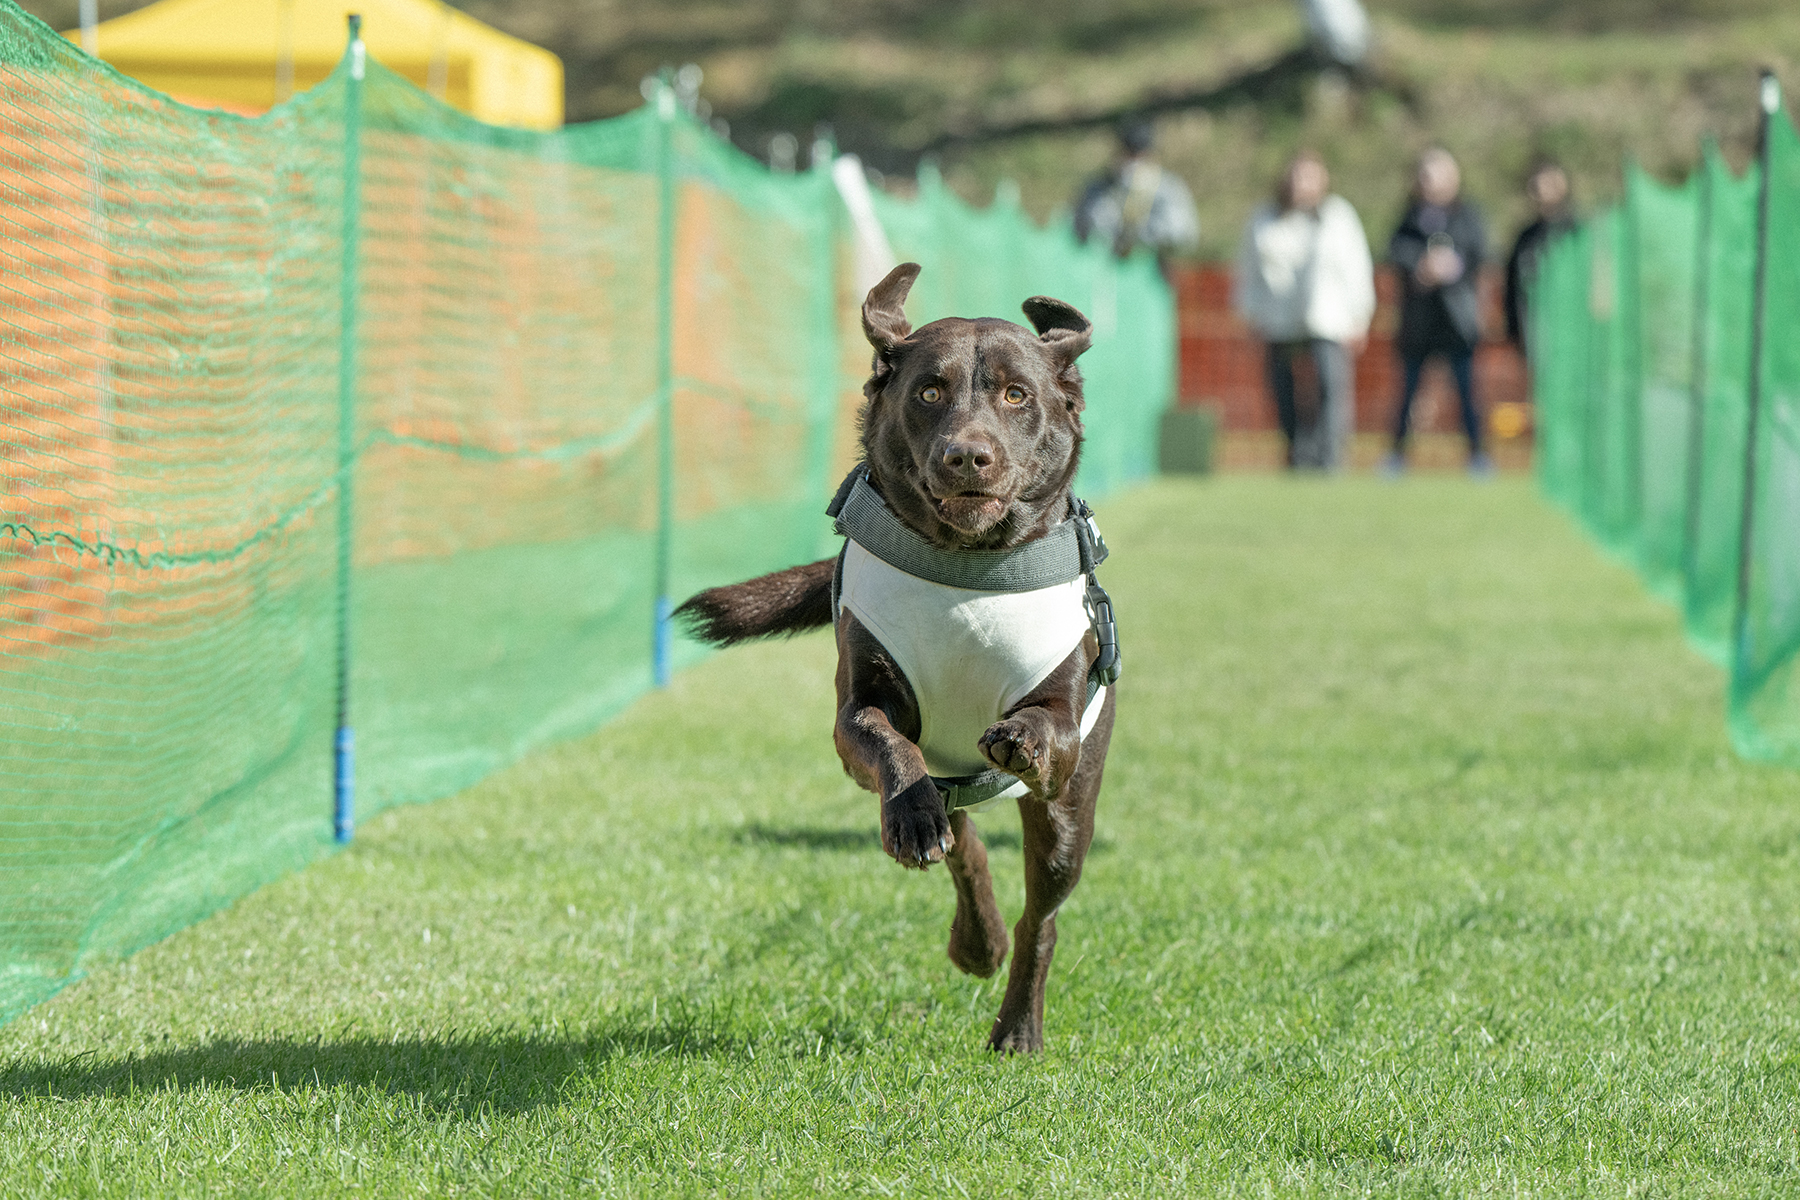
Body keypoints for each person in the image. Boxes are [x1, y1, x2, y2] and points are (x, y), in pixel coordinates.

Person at [1232, 150, 1376, 471]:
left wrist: (1360, 316)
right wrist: (1251, 314)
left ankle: (1329, 459)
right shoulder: (1264, 218)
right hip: (1279, 322)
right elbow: (1249, 271)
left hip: (1328, 321)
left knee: (1330, 389)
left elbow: (1357, 269)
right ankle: (1298, 454)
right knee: (1283, 390)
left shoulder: (1338, 216)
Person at [1383, 147, 1490, 476]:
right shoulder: (1409, 217)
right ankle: (1396, 457)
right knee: (1408, 392)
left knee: (1467, 392)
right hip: (1418, 322)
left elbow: (1482, 254)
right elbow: (1394, 252)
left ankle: (1478, 456)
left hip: (1457, 321)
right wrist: (1420, 265)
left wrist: (1451, 267)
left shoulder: (1468, 215)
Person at [1073, 118, 1200, 277]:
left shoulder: (1169, 190)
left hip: (1153, 280)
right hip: (1104, 279)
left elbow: (1182, 235)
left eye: (1140, 155)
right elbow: (1082, 228)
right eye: (1129, 154)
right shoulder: (1099, 188)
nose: (1134, 162)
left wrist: (1140, 237)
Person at [1504, 158, 1576, 360]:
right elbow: (1513, 284)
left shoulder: (1576, 232)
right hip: (1534, 333)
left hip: (1571, 334)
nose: (1539, 191)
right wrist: (1514, 330)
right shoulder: (1526, 236)